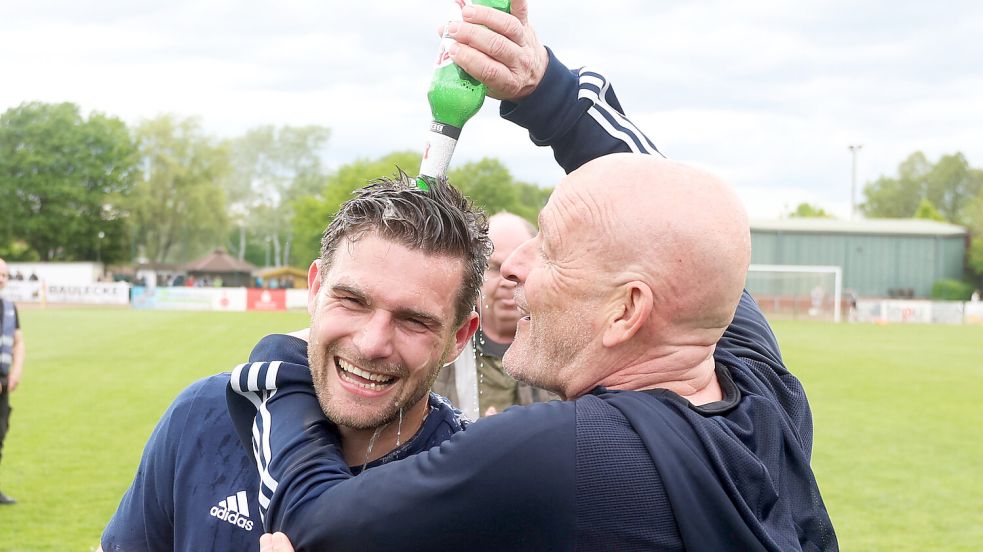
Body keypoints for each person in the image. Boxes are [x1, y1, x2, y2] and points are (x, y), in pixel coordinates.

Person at [227, 2, 837, 551]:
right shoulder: (767, 398)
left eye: (550, 250)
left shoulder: (558, 456)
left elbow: (312, 521)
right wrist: (544, 87)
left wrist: (281, 377)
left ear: (626, 311)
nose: (513, 266)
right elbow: (681, 230)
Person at [99, 175, 490, 551]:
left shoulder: (474, 493)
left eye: (414, 321)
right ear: (316, 290)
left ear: (459, 336)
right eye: (352, 301)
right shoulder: (202, 414)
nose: (372, 344)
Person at [433, 212, 553, 417]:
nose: (508, 281)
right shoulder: (441, 346)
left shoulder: (561, 351)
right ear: (475, 275)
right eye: (496, 268)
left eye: (521, 268)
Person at [0, 258, 26, 505]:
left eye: (5, 275)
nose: (1, 278)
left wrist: (15, 372)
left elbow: (18, 341)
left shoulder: (9, 307)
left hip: (3, 386)